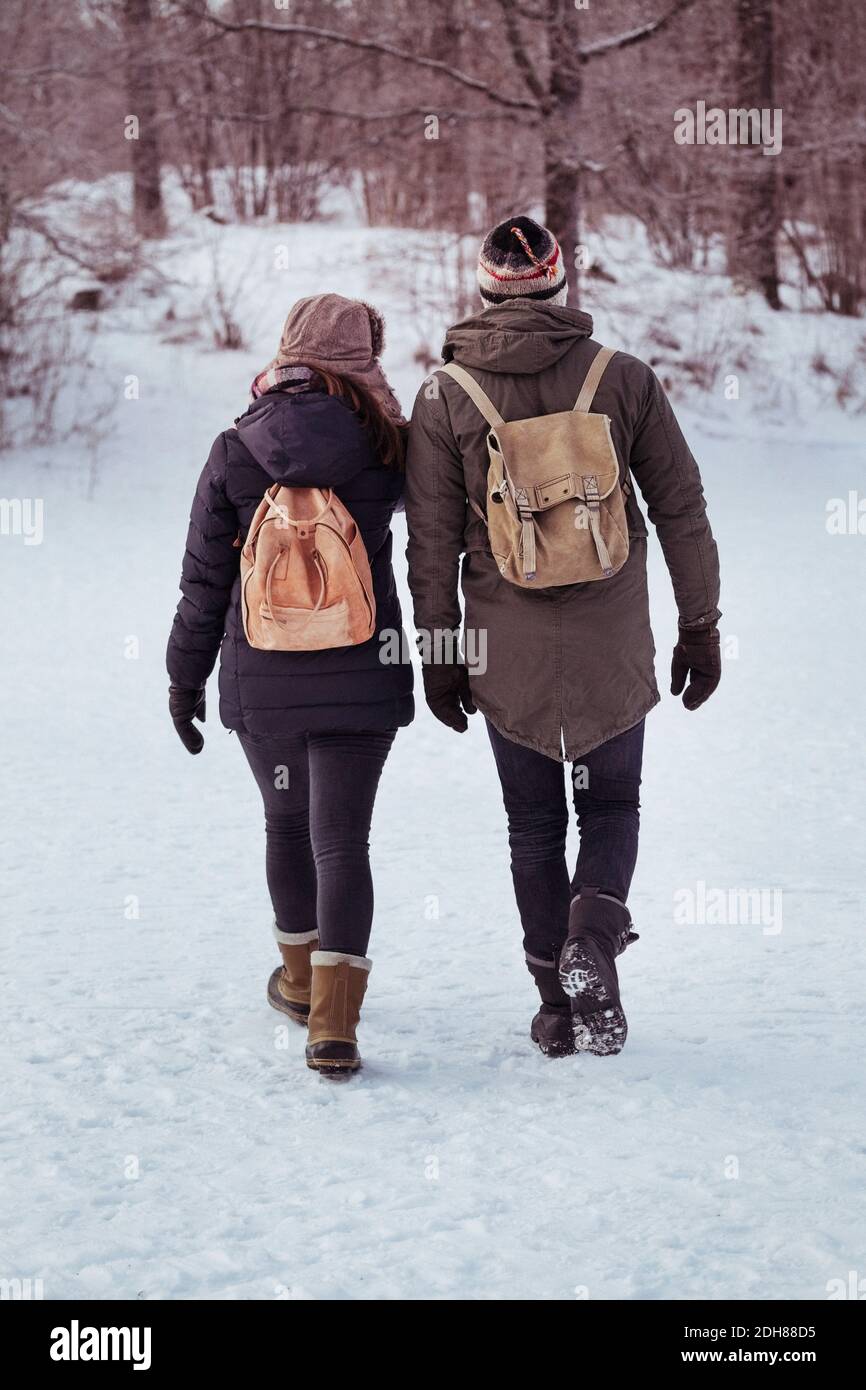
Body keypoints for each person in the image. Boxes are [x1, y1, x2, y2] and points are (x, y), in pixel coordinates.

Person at [405, 216, 721, 1059]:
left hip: (507, 652)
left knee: (532, 828)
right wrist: (701, 627)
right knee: (612, 804)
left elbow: (432, 547)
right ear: (560, 286)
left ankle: (555, 1000)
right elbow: (681, 509)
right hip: (612, 639)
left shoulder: (444, 396)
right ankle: (595, 936)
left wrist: (439, 661)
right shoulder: (624, 379)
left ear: (483, 293)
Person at [166, 294, 414, 1076]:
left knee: (285, 826)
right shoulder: (389, 447)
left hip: (262, 679)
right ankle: (334, 1026)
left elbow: (204, 583)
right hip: (360, 676)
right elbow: (437, 539)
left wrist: (184, 679)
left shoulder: (236, 447)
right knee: (343, 840)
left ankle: (300, 981)